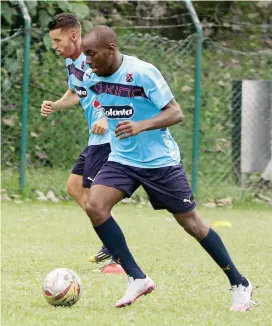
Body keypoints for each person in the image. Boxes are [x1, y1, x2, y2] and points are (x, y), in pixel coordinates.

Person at [80, 25, 254, 311]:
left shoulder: (143, 72)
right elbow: (101, 100)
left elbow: (175, 112)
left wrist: (141, 125)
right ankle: (137, 277)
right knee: (95, 206)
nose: (87, 60)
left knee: (192, 224)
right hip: (122, 158)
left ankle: (239, 282)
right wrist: (102, 114)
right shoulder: (91, 76)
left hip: (160, 162)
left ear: (111, 48)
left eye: (91, 54)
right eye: (85, 55)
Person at [40, 14, 116, 267]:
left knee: (92, 196)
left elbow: (113, 90)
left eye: (58, 40)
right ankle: (110, 241)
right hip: (95, 139)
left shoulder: (92, 59)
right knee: (74, 187)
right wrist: (55, 104)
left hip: (107, 136)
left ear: (74, 36)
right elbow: (76, 92)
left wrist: (106, 117)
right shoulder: (71, 63)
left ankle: (116, 250)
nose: (55, 46)